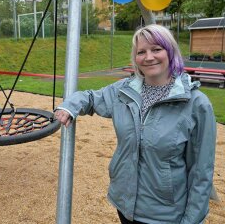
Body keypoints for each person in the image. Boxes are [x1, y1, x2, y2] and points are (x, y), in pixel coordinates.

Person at [54, 24, 217, 224]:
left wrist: (191, 220)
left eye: (156, 49)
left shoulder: (196, 104)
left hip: (164, 215)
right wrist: (70, 106)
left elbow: (201, 172)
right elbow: (90, 97)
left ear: (170, 51)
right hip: (125, 204)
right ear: (135, 58)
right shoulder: (124, 90)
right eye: (141, 52)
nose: (149, 57)